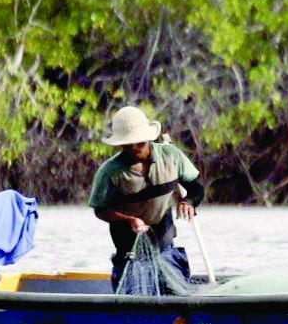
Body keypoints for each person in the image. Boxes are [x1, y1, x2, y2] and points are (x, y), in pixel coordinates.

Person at [88, 106, 205, 288]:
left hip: (163, 236)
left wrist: (188, 201)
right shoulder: (109, 172)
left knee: (175, 284)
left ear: (148, 140)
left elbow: (196, 187)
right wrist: (129, 220)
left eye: (140, 144)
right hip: (128, 244)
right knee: (133, 289)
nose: (135, 150)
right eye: (128, 146)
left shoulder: (171, 156)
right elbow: (100, 210)